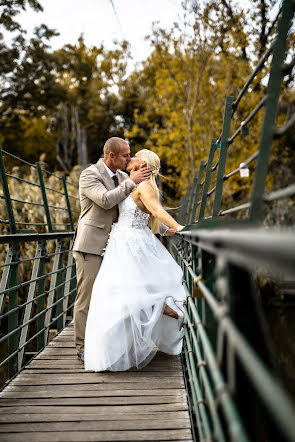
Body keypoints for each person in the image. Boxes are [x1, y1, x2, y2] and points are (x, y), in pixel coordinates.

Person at [72, 137, 174, 362]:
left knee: (111, 298)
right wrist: (131, 181)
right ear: (112, 156)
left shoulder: (123, 176)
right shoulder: (90, 175)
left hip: (116, 247)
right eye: (126, 155)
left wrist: (167, 228)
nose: (130, 158)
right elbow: (106, 200)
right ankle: (82, 347)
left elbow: (138, 207)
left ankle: (111, 345)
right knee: (87, 298)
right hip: (91, 245)